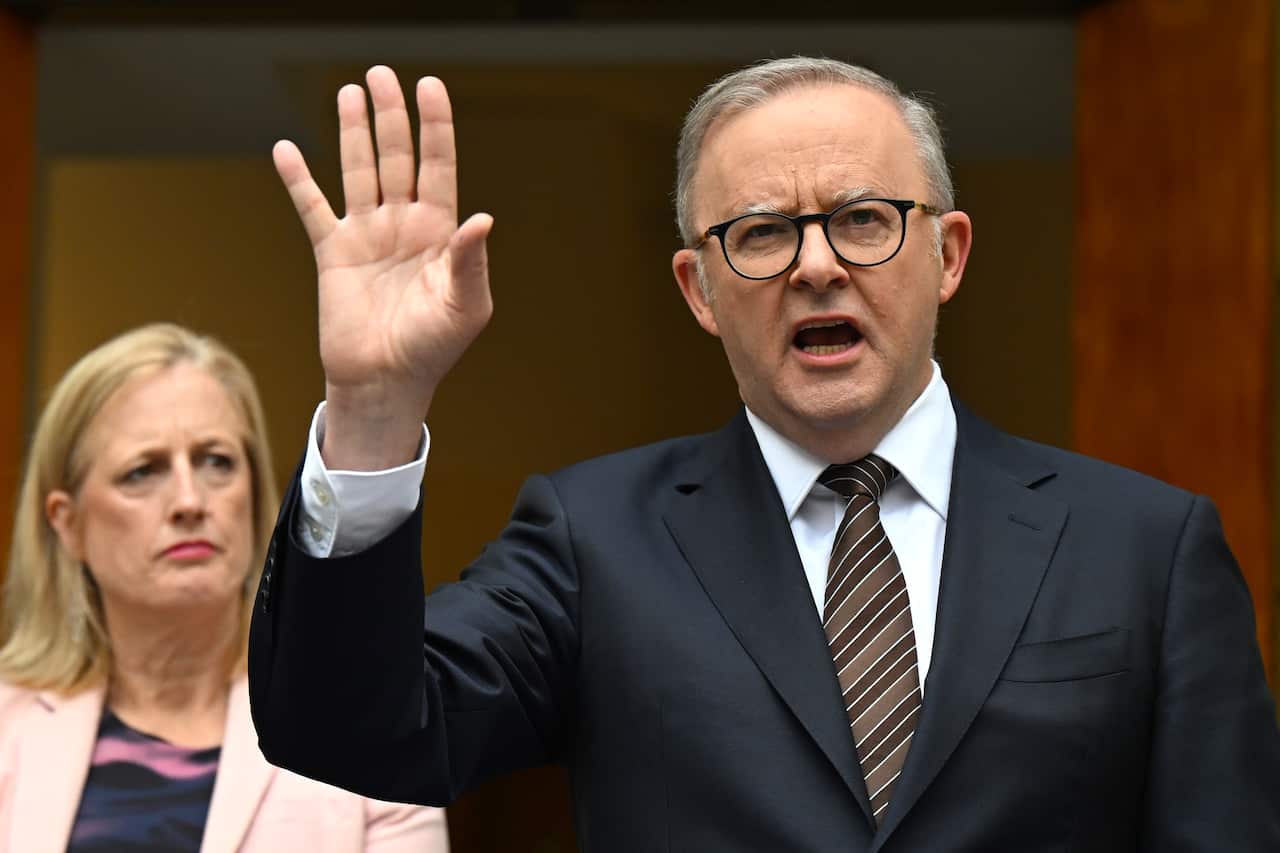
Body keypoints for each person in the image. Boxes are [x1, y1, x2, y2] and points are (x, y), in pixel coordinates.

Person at [248, 58, 1280, 851]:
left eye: (863, 220)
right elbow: (358, 732)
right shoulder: (592, 540)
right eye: (760, 234)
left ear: (947, 254)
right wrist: (375, 409)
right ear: (698, 288)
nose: (816, 265)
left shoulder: (1144, 546)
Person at [0, 323, 449, 852]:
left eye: (217, 462)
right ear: (67, 523)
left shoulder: (365, 727)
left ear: (256, 496)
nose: (190, 501)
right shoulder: (11, 727)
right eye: (143, 471)